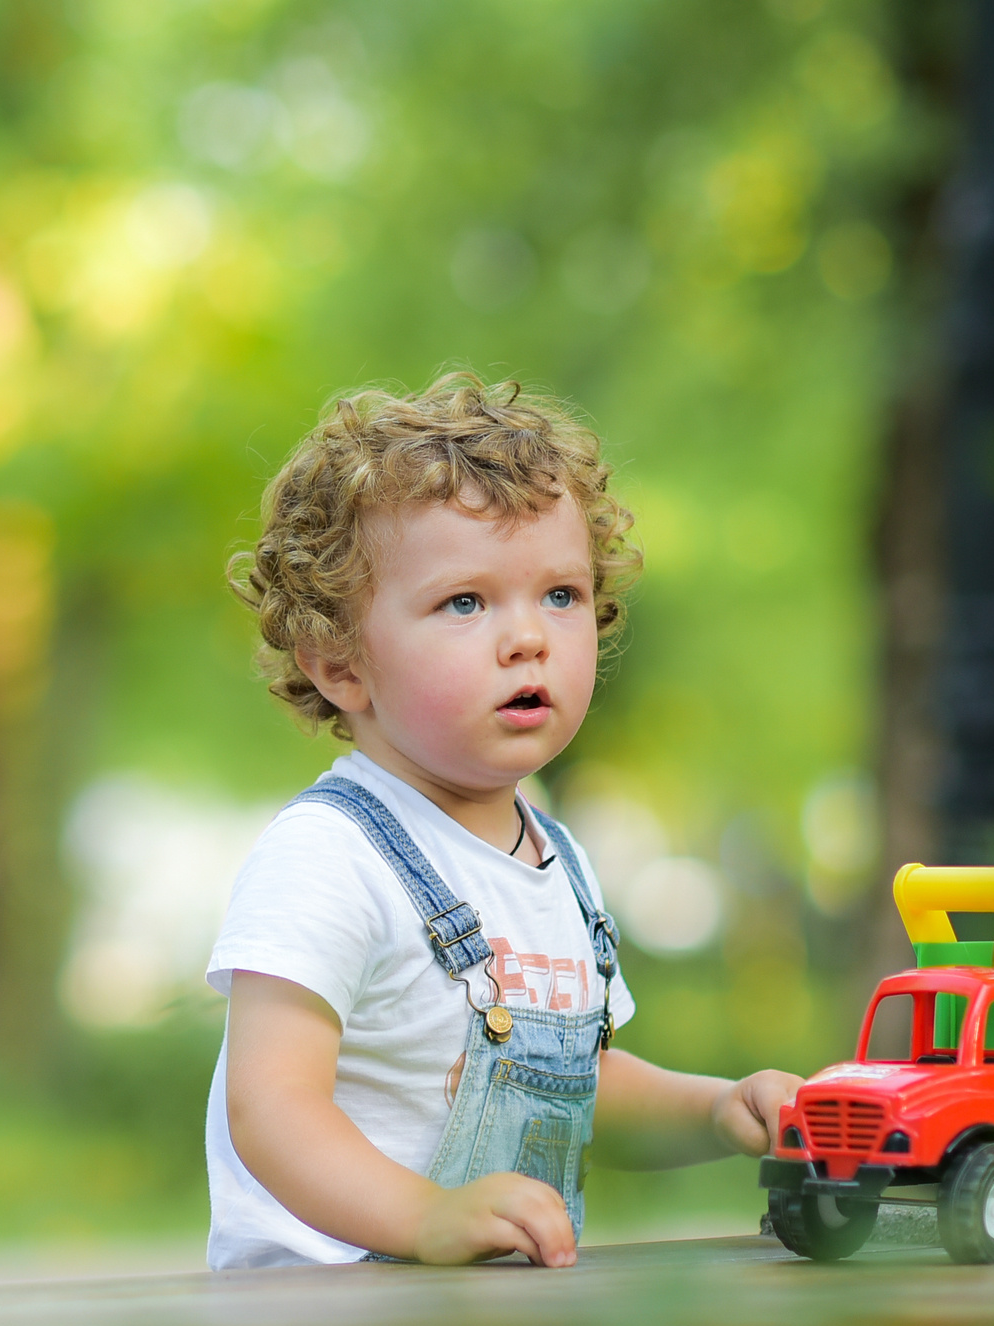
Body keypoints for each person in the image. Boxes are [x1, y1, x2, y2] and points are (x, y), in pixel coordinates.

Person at [206, 374, 802, 1270]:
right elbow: (272, 1106)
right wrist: (424, 1218)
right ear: (339, 663)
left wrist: (717, 1109)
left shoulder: (555, 860)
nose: (528, 638)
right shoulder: (329, 853)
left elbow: (576, 1087)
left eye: (559, 595)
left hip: (488, 1308)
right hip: (320, 1314)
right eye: (466, 602)